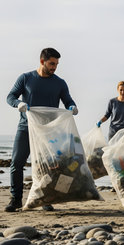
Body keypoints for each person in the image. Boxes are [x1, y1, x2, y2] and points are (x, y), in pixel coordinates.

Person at [6, 48, 78, 212]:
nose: (54, 67)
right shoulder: (26, 78)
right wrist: (19, 105)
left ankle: (46, 199)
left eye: (57, 64)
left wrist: (72, 107)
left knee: (48, 167)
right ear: (42, 61)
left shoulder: (60, 83)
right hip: (26, 128)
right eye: (52, 63)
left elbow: (67, 100)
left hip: (49, 132)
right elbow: (10, 97)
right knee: (16, 164)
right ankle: (16, 199)